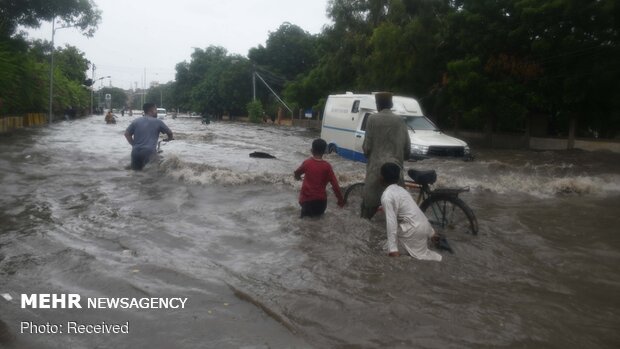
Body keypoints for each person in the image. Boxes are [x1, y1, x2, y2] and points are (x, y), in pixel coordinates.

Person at [361, 92, 411, 219]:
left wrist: (368, 155)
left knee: (367, 212)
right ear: (391, 104)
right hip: (395, 173)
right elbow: (407, 149)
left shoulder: (372, 119)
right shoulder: (400, 121)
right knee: (398, 214)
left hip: (376, 173)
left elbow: (367, 148)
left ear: (378, 105)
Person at [380, 162, 443, 261]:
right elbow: (415, 211)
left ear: (382, 177)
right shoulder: (402, 190)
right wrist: (432, 232)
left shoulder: (387, 196)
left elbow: (391, 223)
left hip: (413, 231)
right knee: (421, 254)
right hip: (424, 228)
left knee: (383, 249)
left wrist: (393, 250)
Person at [294, 138, 345, 218]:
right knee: (318, 224)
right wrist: (340, 200)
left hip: (307, 201)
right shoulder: (327, 166)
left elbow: (296, 173)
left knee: (304, 225)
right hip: (321, 202)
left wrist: (298, 178)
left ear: (312, 150)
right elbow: (335, 185)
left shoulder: (307, 163)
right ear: (325, 151)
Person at [124, 102, 173, 170]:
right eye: (156, 110)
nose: (157, 112)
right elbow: (170, 133)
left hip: (135, 152)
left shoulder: (136, 121)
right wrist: (169, 138)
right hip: (149, 152)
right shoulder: (158, 122)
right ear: (151, 110)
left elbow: (127, 134)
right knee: (151, 175)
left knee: (135, 174)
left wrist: (134, 145)